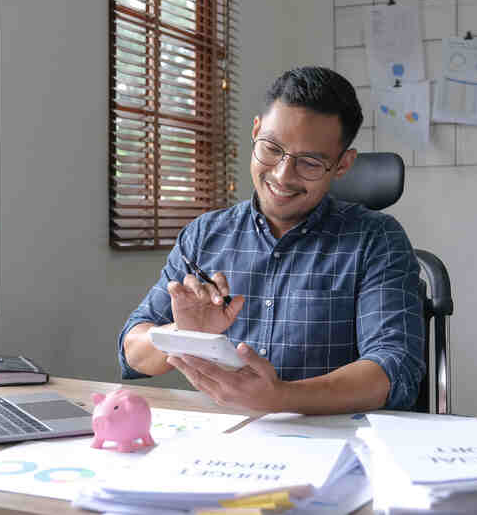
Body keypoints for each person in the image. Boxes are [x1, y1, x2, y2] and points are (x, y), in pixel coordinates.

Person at [117, 66, 425, 415]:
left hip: (330, 442)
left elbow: (395, 368)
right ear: (256, 130)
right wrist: (183, 332)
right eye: (272, 148)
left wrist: (281, 397)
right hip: (224, 440)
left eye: (309, 162)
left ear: (342, 165)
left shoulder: (376, 240)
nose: (282, 175)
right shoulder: (205, 235)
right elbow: (133, 352)